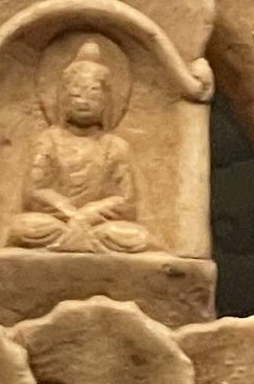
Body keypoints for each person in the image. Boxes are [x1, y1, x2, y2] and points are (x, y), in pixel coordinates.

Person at [8, 39, 154, 254]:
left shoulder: (115, 146)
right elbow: (34, 191)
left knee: (138, 237)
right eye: (76, 94)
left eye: (93, 93)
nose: (83, 102)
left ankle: (77, 239)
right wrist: (70, 213)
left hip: (98, 225)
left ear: (106, 101)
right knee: (24, 227)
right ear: (63, 99)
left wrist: (90, 213)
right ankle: (82, 240)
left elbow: (126, 200)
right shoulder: (48, 140)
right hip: (58, 221)